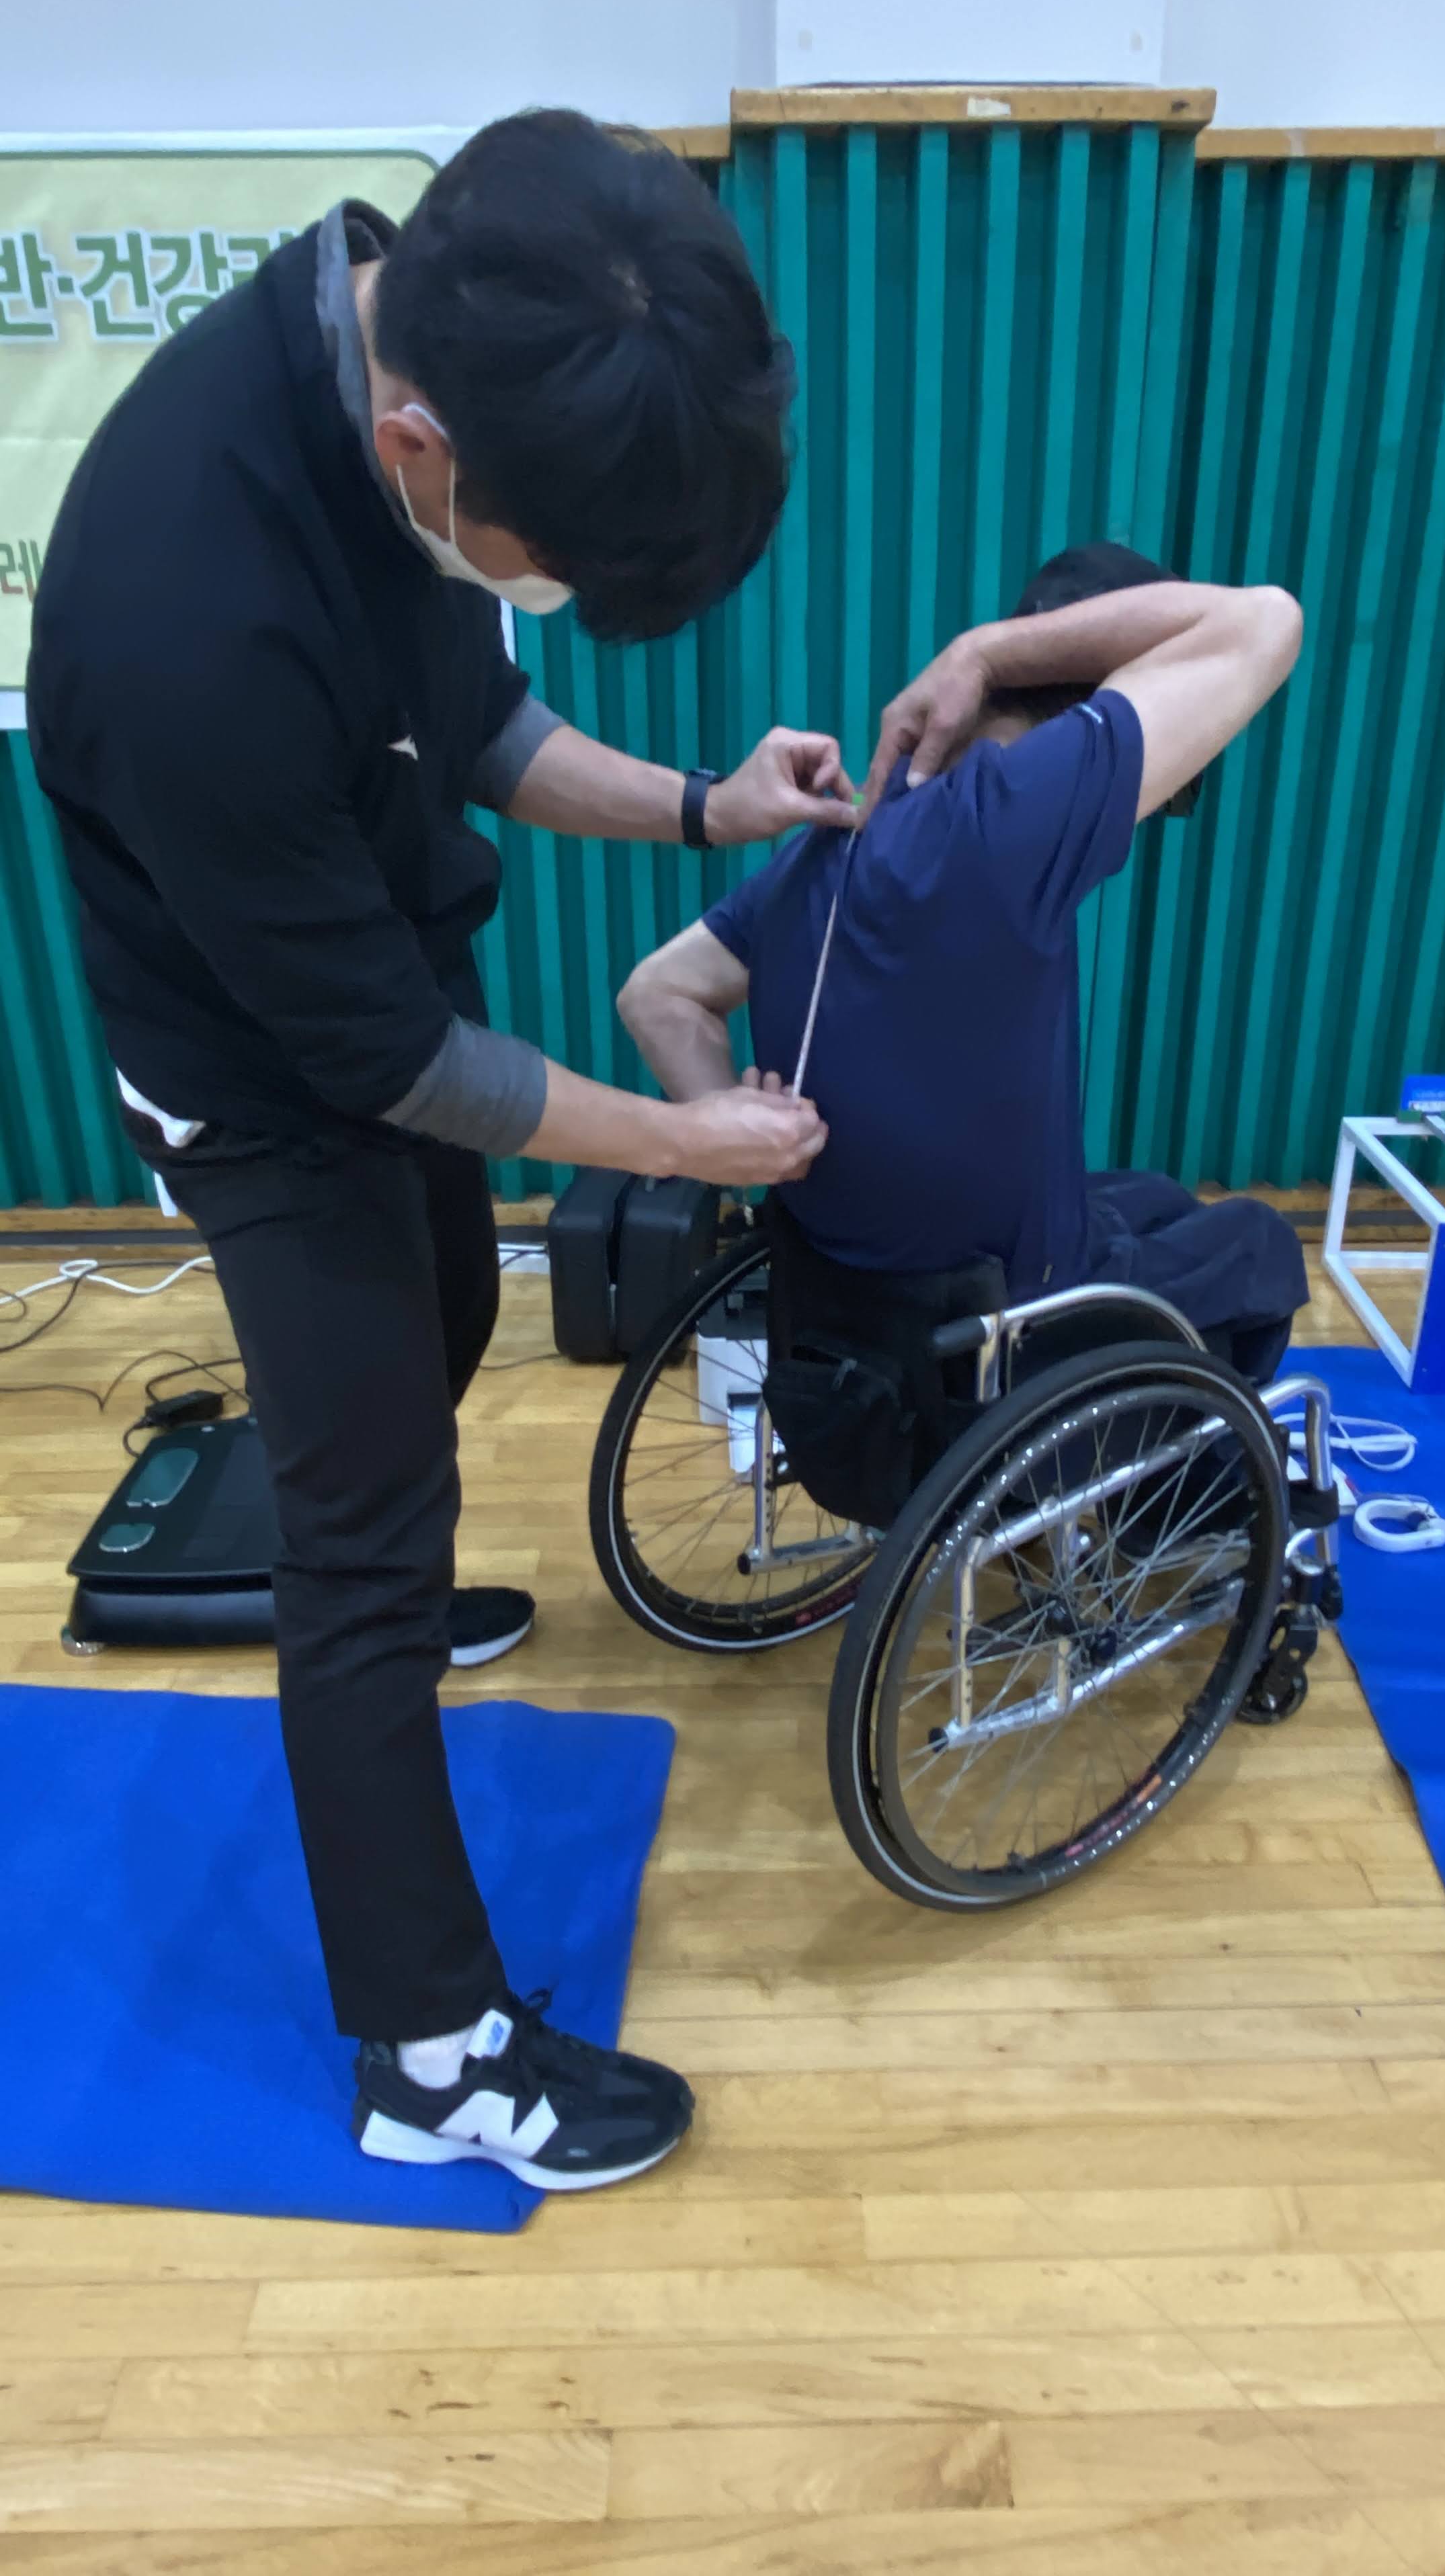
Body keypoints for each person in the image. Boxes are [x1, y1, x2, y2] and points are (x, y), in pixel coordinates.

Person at [27, 110, 854, 2193]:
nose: (544, 593)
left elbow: (478, 723)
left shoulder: (437, 346)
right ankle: (432, 2063)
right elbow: (397, 1066)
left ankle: (361, 1575)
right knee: (368, 1535)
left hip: (375, 977)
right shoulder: (187, 616)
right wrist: (686, 1138)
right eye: (550, 562)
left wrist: (708, 805)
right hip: (263, 1079)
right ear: (418, 449)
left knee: (453, 1310)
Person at [618, 544, 1310, 1385]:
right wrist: (981, 652)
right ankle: (1186, 1460)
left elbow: (657, 994)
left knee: (1158, 1198)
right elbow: (1267, 619)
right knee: (1259, 1247)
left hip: (840, 1315)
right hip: (1006, 1330)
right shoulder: (1011, 816)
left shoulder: (833, 843)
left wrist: (732, 1128)